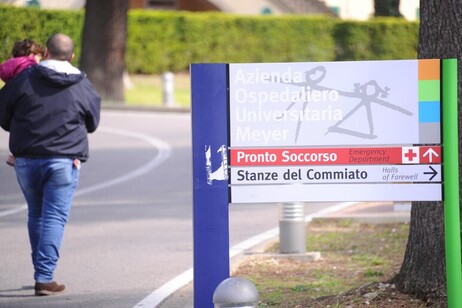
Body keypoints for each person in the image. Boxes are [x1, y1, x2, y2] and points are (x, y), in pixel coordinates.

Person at [0, 33, 101, 296]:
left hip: (26, 159)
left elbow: (4, 113)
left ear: (45, 53)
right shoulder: (82, 84)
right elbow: (92, 123)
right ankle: (44, 277)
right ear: (72, 56)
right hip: (63, 161)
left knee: (36, 213)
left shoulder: (23, 79)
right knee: (53, 216)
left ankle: (41, 273)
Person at [0, 39, 44, 166]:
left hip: (13, 102)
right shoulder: (30, 66)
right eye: (39, 56)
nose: (39, 59)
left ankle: (12, 154)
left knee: (16, 126)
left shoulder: (10, 66)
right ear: (31, 55)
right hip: (27, 101)